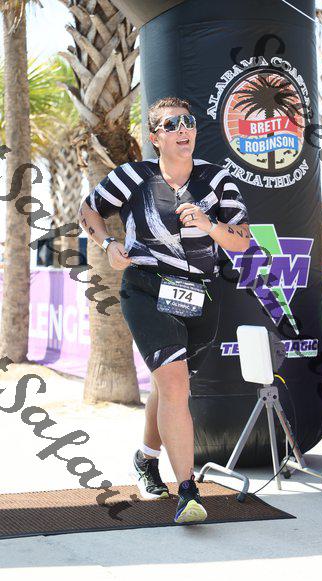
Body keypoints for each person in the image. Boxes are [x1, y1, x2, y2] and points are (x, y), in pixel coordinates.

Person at [78, 96, 250, 524]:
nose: (183, 130)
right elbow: (89, 210)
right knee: (174, 386)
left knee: (169, 384)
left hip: (201, 293)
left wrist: (209, 225)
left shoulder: (217, 179)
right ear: (155, 138)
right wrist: (107, 244)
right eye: (171, 125)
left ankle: (145, 458)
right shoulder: (133, 176)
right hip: (147, 288)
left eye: (188, 122)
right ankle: (187, 491)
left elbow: (242, 240)